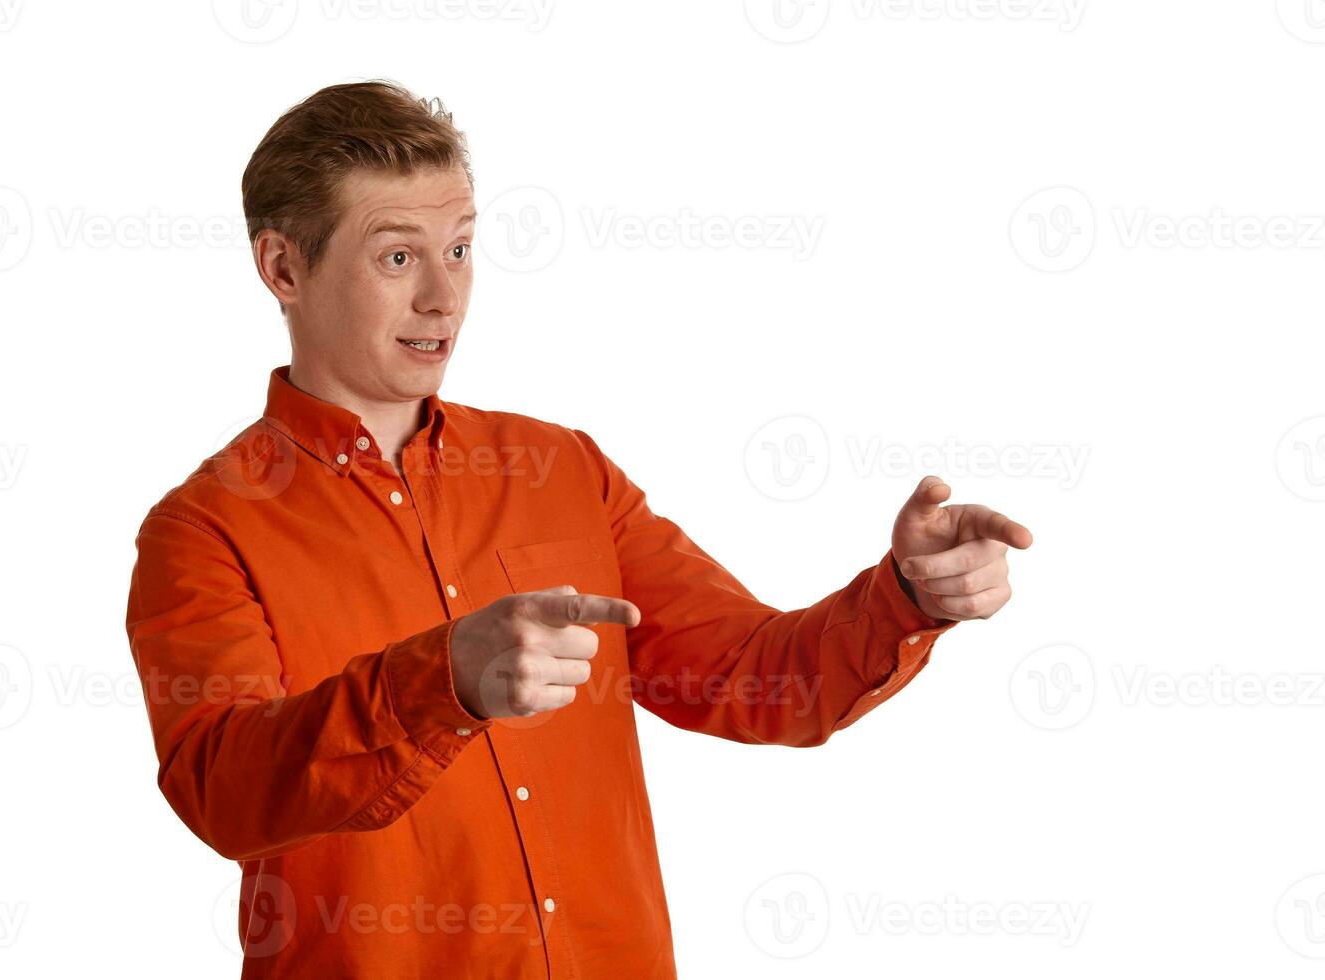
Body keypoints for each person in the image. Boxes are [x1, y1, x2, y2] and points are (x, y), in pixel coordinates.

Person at [124, 78, 1033, 979]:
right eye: (398, 258)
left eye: (462, 247)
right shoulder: (203, 530)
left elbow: (756, 676)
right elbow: (224, 789)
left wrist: (905, 596)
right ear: (283, 268)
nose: (446, 296)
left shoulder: (561, 469)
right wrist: (440, 682)